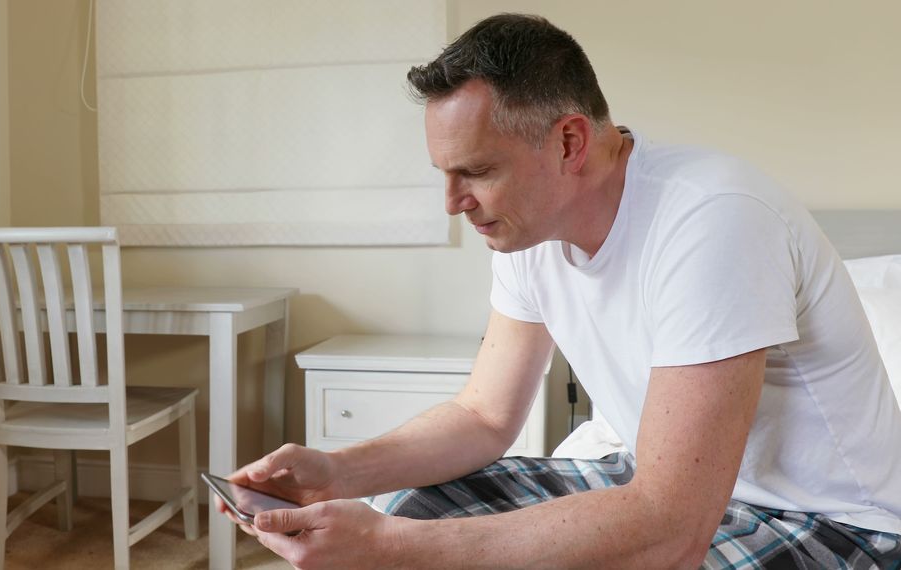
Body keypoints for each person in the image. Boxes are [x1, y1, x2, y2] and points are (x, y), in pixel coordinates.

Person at [221, 14, 901, 568]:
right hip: (655, 483)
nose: (454, 202)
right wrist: (335, 472)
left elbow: (672, 527)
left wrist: (392, 551)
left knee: (410, 541)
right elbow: (486, 417)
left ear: (570, 142)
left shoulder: (713, 220)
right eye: (445, 174)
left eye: (477, 171)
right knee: (422, 506)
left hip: (833, 524)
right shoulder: (526, 229)